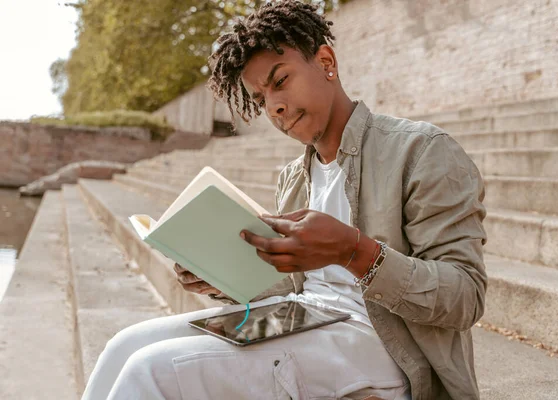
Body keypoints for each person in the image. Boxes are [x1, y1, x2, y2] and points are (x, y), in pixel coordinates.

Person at [82, 1, 487, 399]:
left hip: (381, 346)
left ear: (326, 62)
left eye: (280, 81)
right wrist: (221, 278)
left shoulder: (421, 151)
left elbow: (465, 297)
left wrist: (355, 251)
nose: (273, 107)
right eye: (260, 100)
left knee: (151, 369)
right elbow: (296, 289)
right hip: (303, 320)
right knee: (125, 345)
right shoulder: (294, 178)